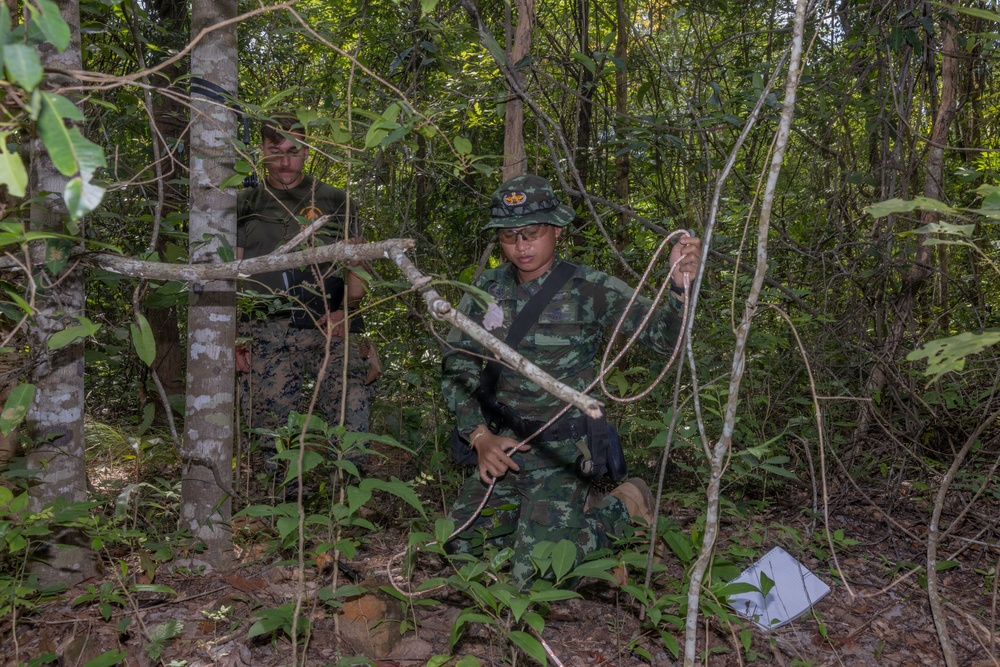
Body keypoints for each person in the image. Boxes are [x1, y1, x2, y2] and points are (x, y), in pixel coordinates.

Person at [441, 173, 701, 588]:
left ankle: (622, 506)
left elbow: (662, 339)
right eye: (509, 237)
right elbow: (458, 365)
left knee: (539, 578)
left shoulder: (591, 288)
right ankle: (547, 527)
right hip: (503, 446)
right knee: (456, 546)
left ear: (557, 229)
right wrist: (478, 437)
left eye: (532, 233)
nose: (521, 246)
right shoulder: (486, 287)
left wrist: (679, 286)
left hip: (562, 451)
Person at [235, 114, 380, 494]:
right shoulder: (243, 202)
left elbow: (357, 269)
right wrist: (234, 335)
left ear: (307, 151)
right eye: (275, 151)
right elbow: (229, 274)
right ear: (262, 152)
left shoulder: (335, 199)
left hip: (331, 326)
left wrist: (346, 313)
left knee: (352, 410)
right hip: (268, 331)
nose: (285, 161)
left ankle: (346, 500)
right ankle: (285, 503)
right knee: (273, 428)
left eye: (294, 151)